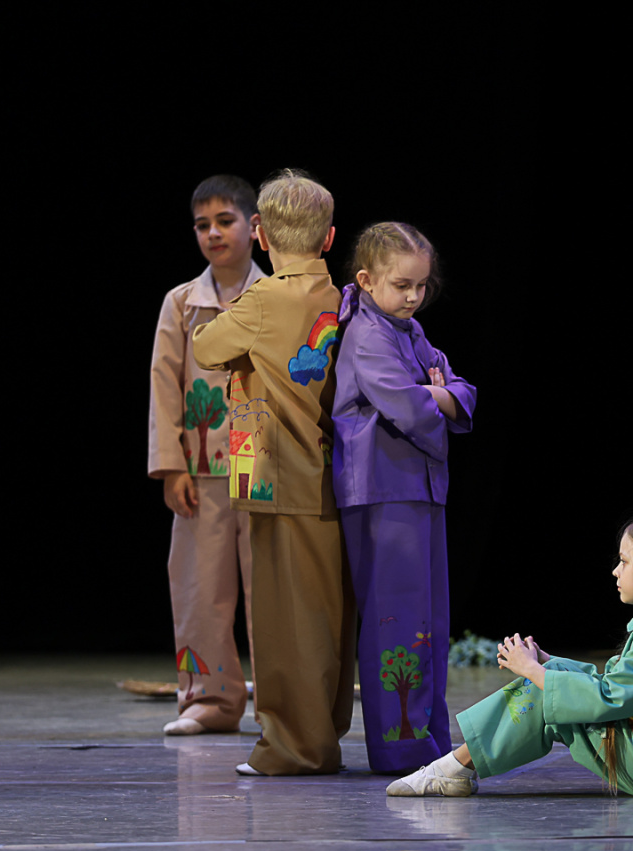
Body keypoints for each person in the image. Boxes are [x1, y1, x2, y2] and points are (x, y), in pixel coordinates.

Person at [193, 170, 356, 776]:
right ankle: (323, 735)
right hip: (332, 476)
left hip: (277, 476)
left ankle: (295, 748)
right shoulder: (341, 297)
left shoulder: (263, 300)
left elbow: (207, 346)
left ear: (259, 233)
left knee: (286, 624)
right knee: (327, 616)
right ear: (329, 237)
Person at [387, 513, 633, 798]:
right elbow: (615, 683)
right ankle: (457, 767)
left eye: (624, 562)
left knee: (543, 694)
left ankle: (453, 768)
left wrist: (533, 672)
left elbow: (609, 698)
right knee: (552, 678)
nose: (616, 571)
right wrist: (547, 662)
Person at [333, 222, 476, 774]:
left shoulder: (409, 331)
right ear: (367, 280)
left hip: (416, 487)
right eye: (402, 285)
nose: (414, 297)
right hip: (382, 489)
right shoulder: (367, 334)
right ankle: (401, 747)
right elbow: (409, 407)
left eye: (421, 286)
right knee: (396, 618)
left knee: (427, 621)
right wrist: (434, 392)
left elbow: (462, 390)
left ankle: (426, 740)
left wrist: (437, 391)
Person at [148, 176, 266, 735]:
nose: (213, 233)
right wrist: (171, 465)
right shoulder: (182, 303)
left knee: (271, 588)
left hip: (265, 465)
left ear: (254, 226)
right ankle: (210, 699)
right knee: (200, 586)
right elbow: (164, 383)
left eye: (225, 221)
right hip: (202, 468)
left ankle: (281, 706)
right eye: (202, 225)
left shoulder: (275, 296)